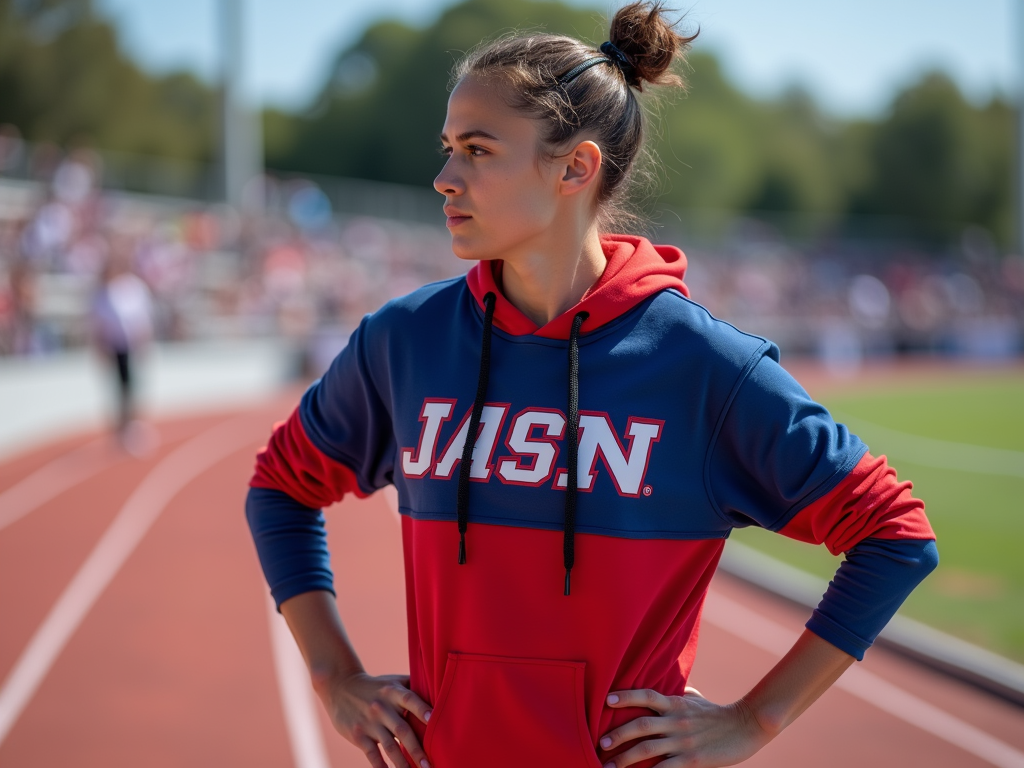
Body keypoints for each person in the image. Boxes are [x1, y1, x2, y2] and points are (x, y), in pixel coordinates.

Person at [246, 4, 938, 767]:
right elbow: (280, 485)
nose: (444, 179)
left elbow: (894, 535)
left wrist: (756, 721)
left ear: (575, 168)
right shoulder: (403, 343)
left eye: (476, 151)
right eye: (448, 149)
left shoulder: (703, 367)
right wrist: (333, 674)